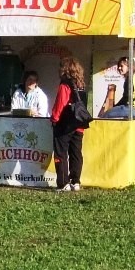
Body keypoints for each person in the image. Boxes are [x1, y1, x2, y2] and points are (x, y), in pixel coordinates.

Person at [50, 56, 88, 192]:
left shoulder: (65, 85)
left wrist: (54, 120)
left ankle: (63, 183)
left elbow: (60, 104)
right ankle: (75, 181)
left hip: (65, 125)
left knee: (61, 154)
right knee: (76, 153)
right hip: (79, 124)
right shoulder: (81, 85)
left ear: (64, 69)